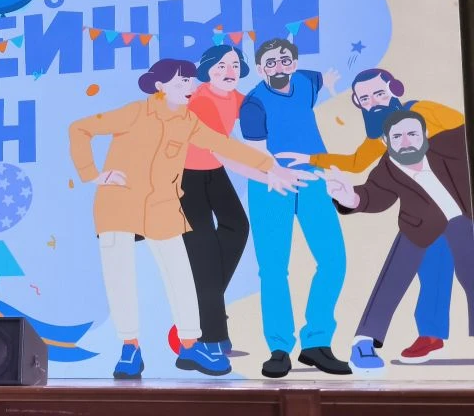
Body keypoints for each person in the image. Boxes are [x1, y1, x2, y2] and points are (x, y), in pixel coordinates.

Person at [68, 58, 313, 379]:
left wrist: (271, 168)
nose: (190, 86)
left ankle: (190, 344)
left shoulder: (188, 122)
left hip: (163, 208)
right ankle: (130, 347)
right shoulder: (135, 113)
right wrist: (92, 174)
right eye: (182, 81)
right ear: (160, 86)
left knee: (182, 276)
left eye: (191, 81)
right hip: (118, 206)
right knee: (120, 276)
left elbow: (224, 144)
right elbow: (79, 128)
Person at [277, 69, 464, 363]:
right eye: (364, 99)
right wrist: (314, 161)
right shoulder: (383, 137)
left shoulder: (426, 113)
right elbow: (358, 164)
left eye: (379, 93)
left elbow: (463, 139)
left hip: (462, 211)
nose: (373, 102)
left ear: (395, 89)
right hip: (424, 218)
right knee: (430, 270)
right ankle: (422, 335)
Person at [322, 112, 474, 372]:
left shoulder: (451, 144)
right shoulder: (388, 168)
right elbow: (374, 195)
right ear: (385, 140)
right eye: (397, 137)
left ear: (426, 134)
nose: (405, 142)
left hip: (462, 221)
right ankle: (365, 341)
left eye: (412, 134)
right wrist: (351, 198)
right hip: (419, 226)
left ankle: (431, 334)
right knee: (396, 274)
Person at [239, 38, 350, 378]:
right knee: (273, 268)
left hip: (313, 179)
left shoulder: (305, 80)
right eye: (270, 62)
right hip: (271, 185)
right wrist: (277, 174)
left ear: (295, 63)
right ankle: (279, 348)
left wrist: (330, 84)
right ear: (261, 69)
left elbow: (321, 81)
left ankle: (316, 342)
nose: (279, 66)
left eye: (285, 60)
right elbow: (256, 153)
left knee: (333, 260)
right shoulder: (253, 104)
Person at [178, 45, 270, 361]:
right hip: (185, 176)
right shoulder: (201, 100)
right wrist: (267, 173)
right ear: (207, 70)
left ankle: (201, 315)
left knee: (237, 227)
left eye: (234, 65)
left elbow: (260, 109)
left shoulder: (236, 98)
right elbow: (222, 150)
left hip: (212, 173)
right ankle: (212, 339)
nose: (229, 71)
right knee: (203, 249)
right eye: (221, 65)